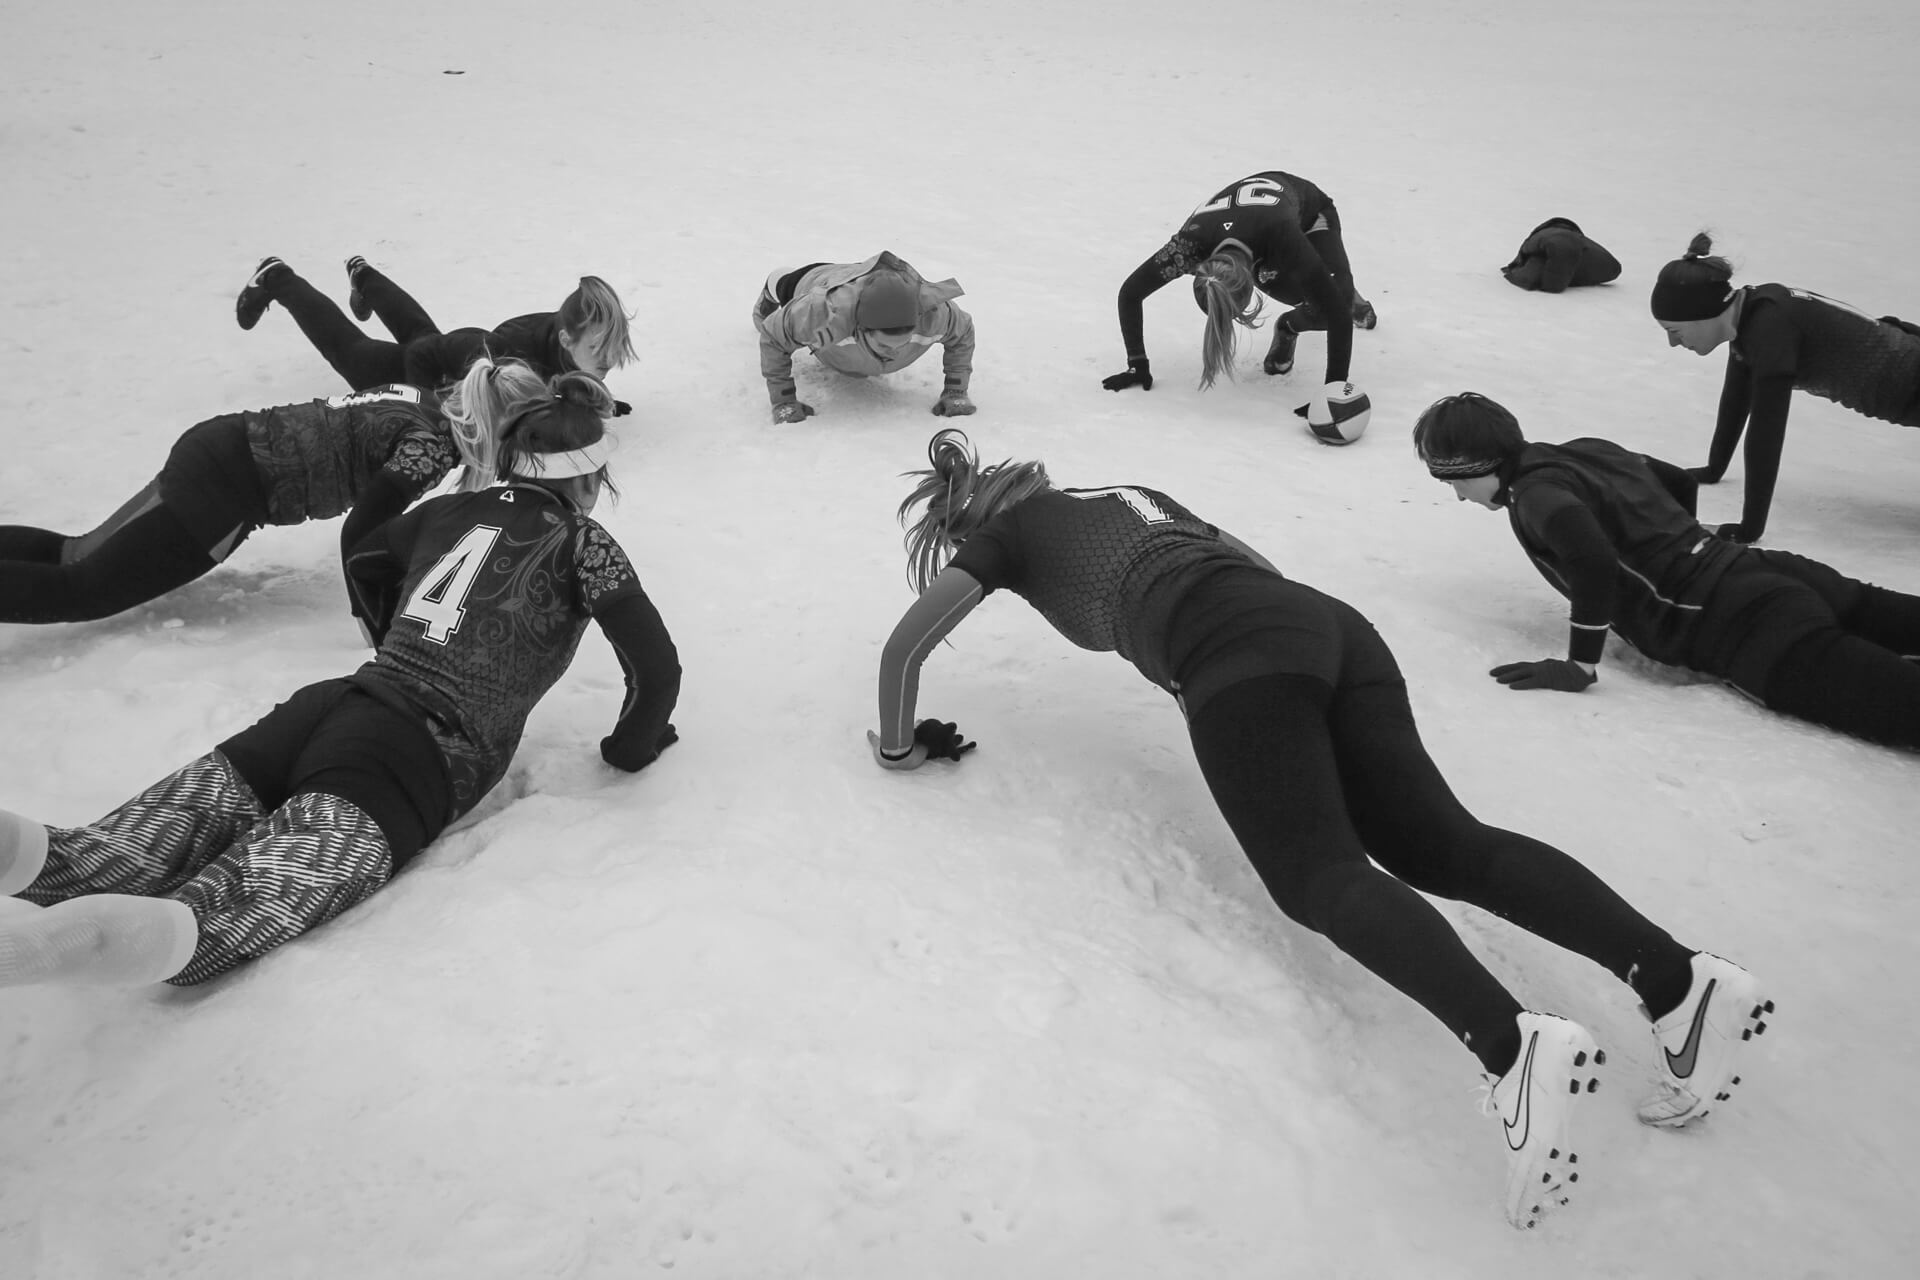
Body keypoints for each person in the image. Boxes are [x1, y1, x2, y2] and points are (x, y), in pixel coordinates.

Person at [867, 427, 1768, 1229]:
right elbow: (1253, 564)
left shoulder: (1004, 537)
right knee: (1442, 845)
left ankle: (1513, 1050)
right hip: (1329, 627)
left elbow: (905, 647)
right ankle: (1678, 982)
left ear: (965, 523)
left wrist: (900, 747)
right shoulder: (1128, 495)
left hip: (1230, 652)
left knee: (1318, 877)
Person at [0, 359, 680, 989]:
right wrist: (631, 748)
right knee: (206, 926)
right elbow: (655, 668)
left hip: (333, 706)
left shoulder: (446, 510)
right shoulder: (585, 544)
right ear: (589, 480)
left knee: (89, 860)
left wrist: (393, 637)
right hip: (415, 757)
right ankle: (57, 950)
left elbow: (366, 557)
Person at [1414, 391, 1920, 749]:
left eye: (1454, 482)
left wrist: (1580, 664)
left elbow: (1592, 561)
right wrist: (1682, 546)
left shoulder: (1533, 496)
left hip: (1743, 627)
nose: (1458, 496)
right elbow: (1677, 480)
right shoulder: (1588, 449)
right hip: (1766, 570)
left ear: (1476, 465)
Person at [0, 379, 460, 625]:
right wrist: (374, 621)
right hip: (228, 492)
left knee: (76, 554)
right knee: (85, 590)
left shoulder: (424, 397)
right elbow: (361, 528)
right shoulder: (433, 445)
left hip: (220, 444)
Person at [1652, 232, 1920, 542]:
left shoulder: (1771, 330)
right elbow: (1736, 399)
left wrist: (1748, 529)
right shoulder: (1751, 312)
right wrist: (1713, 469)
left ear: (1702, 315)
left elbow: (1766, 432)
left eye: (1675, 331)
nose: (1673, 343)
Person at [1100, 170, 1376, 400]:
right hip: (1257, 235)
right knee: (1315, 292)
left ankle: (1294, 321)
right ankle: (1322, 290)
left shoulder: (1280, 237)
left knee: (1335, 302)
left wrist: (1332, 395)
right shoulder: (1187, 248)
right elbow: (1130, 294)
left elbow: (1338, 314)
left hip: (1309, 214)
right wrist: (1137, 364)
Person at [235, 257, 637, 394]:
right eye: (599, 351)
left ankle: (366, 278)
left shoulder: (570, 333)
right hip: (433, 369)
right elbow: (432, 355)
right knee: (350, 353)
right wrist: (422, 403)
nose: (609, 360)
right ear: (566, 339)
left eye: (614, 348)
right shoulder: (514, 357)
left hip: (454, 355)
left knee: (420, 334)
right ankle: (277, 278)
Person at [751, 250, 976, 424]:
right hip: (817, 279)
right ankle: (775, 281)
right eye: (884, 345)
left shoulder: (934, 315)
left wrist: (955, 390)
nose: (893, 353)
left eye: (903, 342)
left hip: (872, 282)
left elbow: (963, 333)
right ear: (861, 329)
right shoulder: (821, 313)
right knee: (785, 285)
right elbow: (773, 336)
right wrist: (783, 400)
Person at [1501, 218, 1621, 293]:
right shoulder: (1548, 241)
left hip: (1562, 246)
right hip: (1562, 245)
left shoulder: (1555, 241)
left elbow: (1563, 251)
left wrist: (1551, 286)